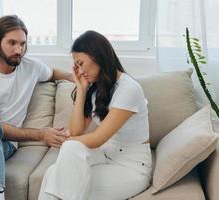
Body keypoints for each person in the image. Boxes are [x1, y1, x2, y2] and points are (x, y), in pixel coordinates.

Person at [0, 15, 72, 200]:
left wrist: (77, 78)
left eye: (23, 44)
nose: (19, 50)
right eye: (12, 43)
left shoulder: (32, 67)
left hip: (4, 144)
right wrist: (41, 134)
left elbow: (53, 73)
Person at [38, 30, 152, 200]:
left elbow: (98, 138)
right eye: (76, 66)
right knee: (54, 171)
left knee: (56, 178)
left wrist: (66, 141)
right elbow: (77, 132)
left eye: (81, 63)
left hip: (130, 166)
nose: (79, 70)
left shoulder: (129, 89)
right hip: (105, 155)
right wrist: (82, 89)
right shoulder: (95, 89)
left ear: (97, 56)